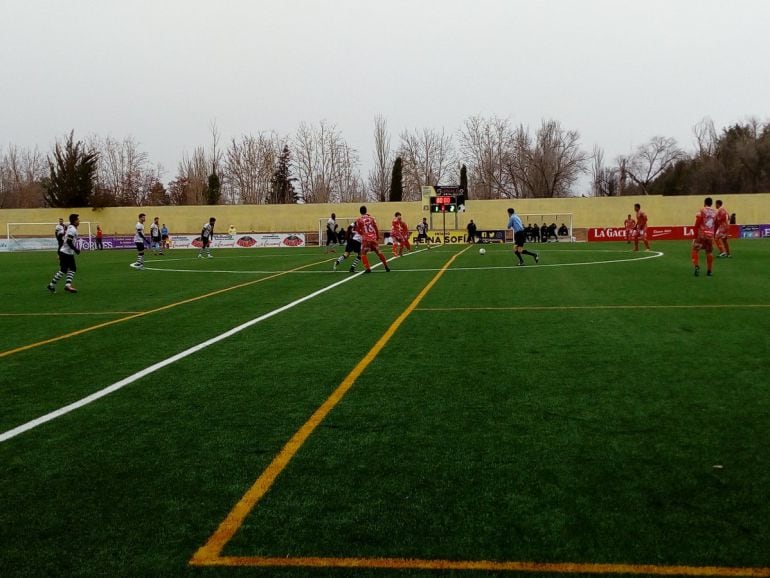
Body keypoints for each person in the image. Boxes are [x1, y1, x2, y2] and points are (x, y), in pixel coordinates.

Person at [47, 213, 80, 294]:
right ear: (75, 221)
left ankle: (52, 285)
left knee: (64, 270)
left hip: (64, 252)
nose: (79, 221)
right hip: (66, 252)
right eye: (78, 219)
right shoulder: (72, 229)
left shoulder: (70, 227)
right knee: (71, 268)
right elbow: (69, 241)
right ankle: (67, 285)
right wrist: (76, 249)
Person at [355, 206, 390, 273]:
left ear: (360, 212)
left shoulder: (359, 220)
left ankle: (368, 268)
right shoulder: (371, 218)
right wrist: (377, 236)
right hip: (373, 238)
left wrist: (363, 233)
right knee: (379, 252)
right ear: (366, 211)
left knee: (363, 253)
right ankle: (386, 267)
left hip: (366, 239)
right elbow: (376, 228)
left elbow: (358, 230)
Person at [691, 197, 717, 277]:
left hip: (701, 234)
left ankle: (696, 266)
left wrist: (695, 236)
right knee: (709, 252)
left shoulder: (702, 210)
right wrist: (714, 234)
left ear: (704, 203)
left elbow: (697, 223)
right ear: (711, 204)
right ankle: (709, 271)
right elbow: (716, 224)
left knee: (695, 250)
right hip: (710, 235)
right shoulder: (715, 212)